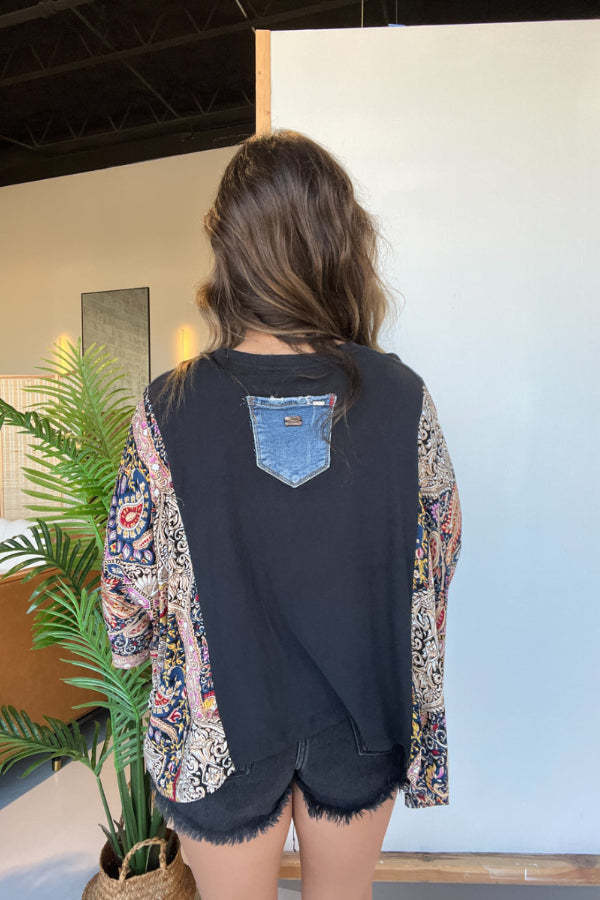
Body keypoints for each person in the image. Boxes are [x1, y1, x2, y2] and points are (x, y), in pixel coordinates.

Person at [100, 128, 462, 900]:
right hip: (362, 706)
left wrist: (138, 651)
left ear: (228, 249)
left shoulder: (169, 407)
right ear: (343, 243)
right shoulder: (402, 397)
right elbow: (438, 549)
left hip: (217, 723)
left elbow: (130, 583)